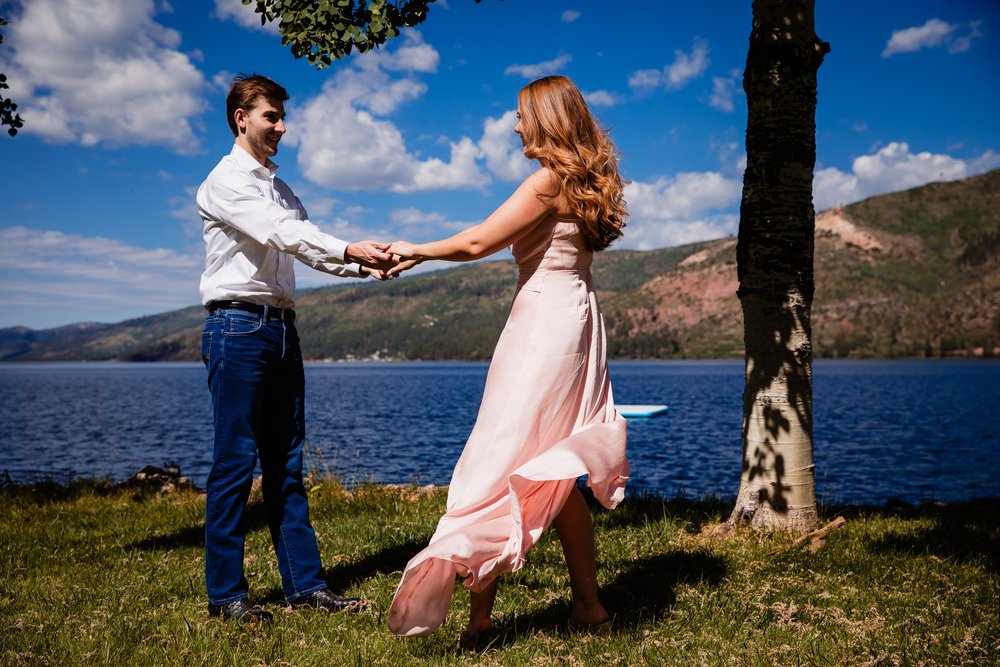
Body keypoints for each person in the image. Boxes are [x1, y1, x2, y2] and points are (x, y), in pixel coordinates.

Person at [385, 75, 630, 647]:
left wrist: (412, 249)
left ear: (544, 119)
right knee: (553, 468)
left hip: (542, 324)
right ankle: (589, 607)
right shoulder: (590, 178)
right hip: (577, 317)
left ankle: (480, 622)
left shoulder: (548, 181)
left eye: (521, 115)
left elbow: (477, 243)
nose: (515, 125)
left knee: (496, 456)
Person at [197, 73, 395, 623]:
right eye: (271, 117)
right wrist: (351, 248)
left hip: (282, 328)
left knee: (286, 462)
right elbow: (285, 233)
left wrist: (364, 264)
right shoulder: (225, 183)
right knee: (235, 463)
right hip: (236, 329)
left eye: (283, 117)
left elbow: (309, 248)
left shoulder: (280, 189)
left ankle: (305, 587)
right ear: (242, 118)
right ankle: (226, 597)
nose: (282, 127)